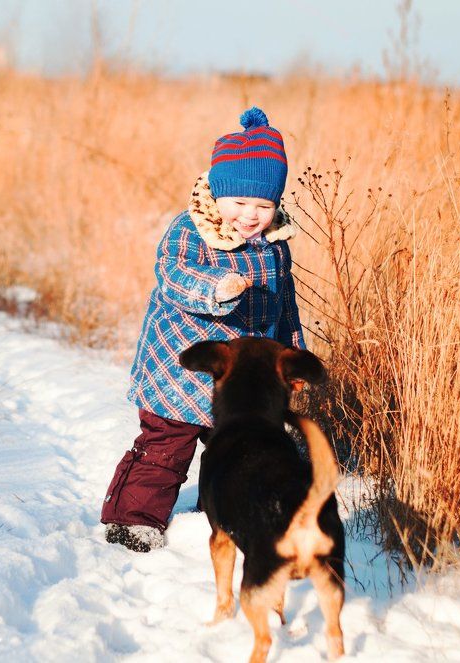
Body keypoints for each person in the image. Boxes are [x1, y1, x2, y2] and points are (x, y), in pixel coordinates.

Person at [101, 107, 307, 552]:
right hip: (181, 365)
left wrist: (291, 354)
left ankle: (227, 510)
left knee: (238, 449)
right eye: (239, 204)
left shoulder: (274, 244)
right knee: (166, 446)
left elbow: (283, 304)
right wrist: (216, 288)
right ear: (217, 196)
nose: (250, 216)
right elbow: (171, 275)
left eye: (263, 205)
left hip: (239, 378)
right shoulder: (191, 231)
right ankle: (133, 519)